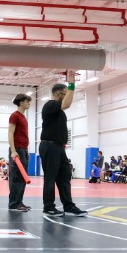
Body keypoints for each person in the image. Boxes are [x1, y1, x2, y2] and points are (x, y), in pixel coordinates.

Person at [38, 70, 87, 216]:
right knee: (50, 177)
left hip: (59, 147)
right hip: (49, 146)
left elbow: (66, 104)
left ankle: (68, 206)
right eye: (66, 94)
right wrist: (71, 84)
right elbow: (67, 104)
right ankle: (48, 207)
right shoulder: (50, 105)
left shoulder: (59, 111)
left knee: (65, 176)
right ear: (58, 94)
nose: (68, 97)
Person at [8, 93, 32, 211]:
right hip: (17, 149)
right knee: (16, 177)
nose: (29, 103)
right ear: (21, 103)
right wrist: (13, 151)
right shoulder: (15, 116)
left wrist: (27, 152)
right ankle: (13, 204)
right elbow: (10, 133)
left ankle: (19, 202)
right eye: (27, 101)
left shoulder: (23, 117)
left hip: (23, 150)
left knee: (23, 177)